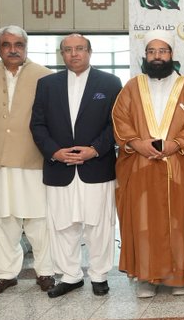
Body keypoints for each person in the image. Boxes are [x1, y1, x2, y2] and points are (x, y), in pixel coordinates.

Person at [113, 30, 184, 297]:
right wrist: (137, 143)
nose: (157, 56)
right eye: (152, 52)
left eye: (162, 51)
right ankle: (146, 278)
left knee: (179, 221)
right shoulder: (131, 87)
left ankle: (179, 277)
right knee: (143, 221)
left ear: (171, 55)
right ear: (145, 55)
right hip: (141, 166)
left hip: (178, 165)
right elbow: (120, 120)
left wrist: (176, 144)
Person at [30, 34, 122, 298]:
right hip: (60, 168)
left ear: (90, 52)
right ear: (62, 55)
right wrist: (54, 152)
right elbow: (37, 124)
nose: (74, 54)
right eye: (68, 50)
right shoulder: (47, 84)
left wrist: (95, 149)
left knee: (98, 225)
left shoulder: (110, 82)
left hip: (97, 166)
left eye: (79, 48)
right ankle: (70, 276)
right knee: (63, 225)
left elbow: (116, 123)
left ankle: (99, 275)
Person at [0, 26, 55, 296]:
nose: (13, 49)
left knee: (39, 219)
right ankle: (4, 274)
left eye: (18, 44)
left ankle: (46, 272)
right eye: (6, 44)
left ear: (26, 46)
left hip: (33, 160)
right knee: (1, 219)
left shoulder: (45, 76)